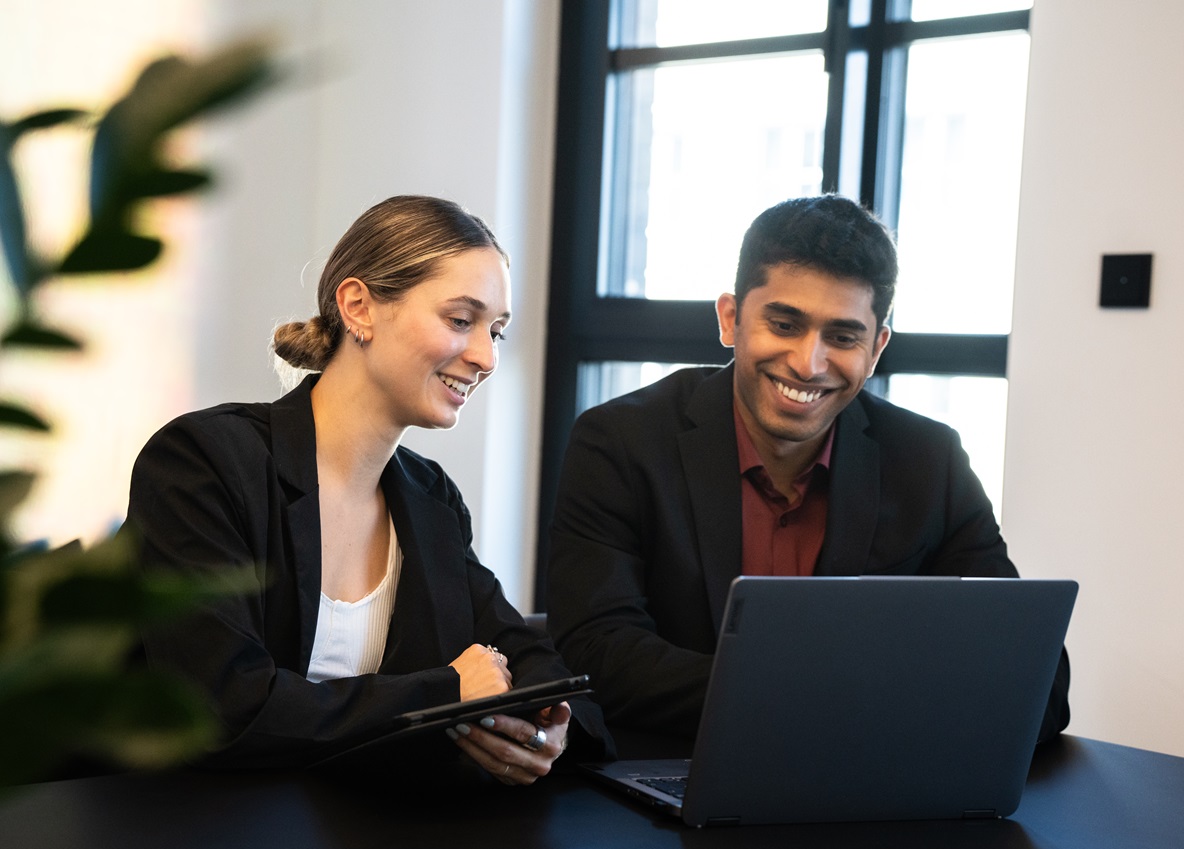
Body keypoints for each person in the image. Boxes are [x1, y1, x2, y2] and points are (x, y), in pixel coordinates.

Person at [546, 194, 1069, 748]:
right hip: (672, 780)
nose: (808, 362)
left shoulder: (928, 461)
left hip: (868, 791)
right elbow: (597, 656)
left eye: (842, 338)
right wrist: (842, 698)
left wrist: (822, 701)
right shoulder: (621, 442)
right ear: (731, 318)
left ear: (876, 348)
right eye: (784, 323)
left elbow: (1038, 682)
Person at [128, 195, 611, 777]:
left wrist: (548, 722)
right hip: (195, 842)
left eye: (498, 332)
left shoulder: (432, 499)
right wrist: (447, 692)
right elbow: (220, 706)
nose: (485, 357)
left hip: (368, 845)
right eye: (461, 320)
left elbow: (533, 660)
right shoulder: (204, 462)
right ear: (358, 307)